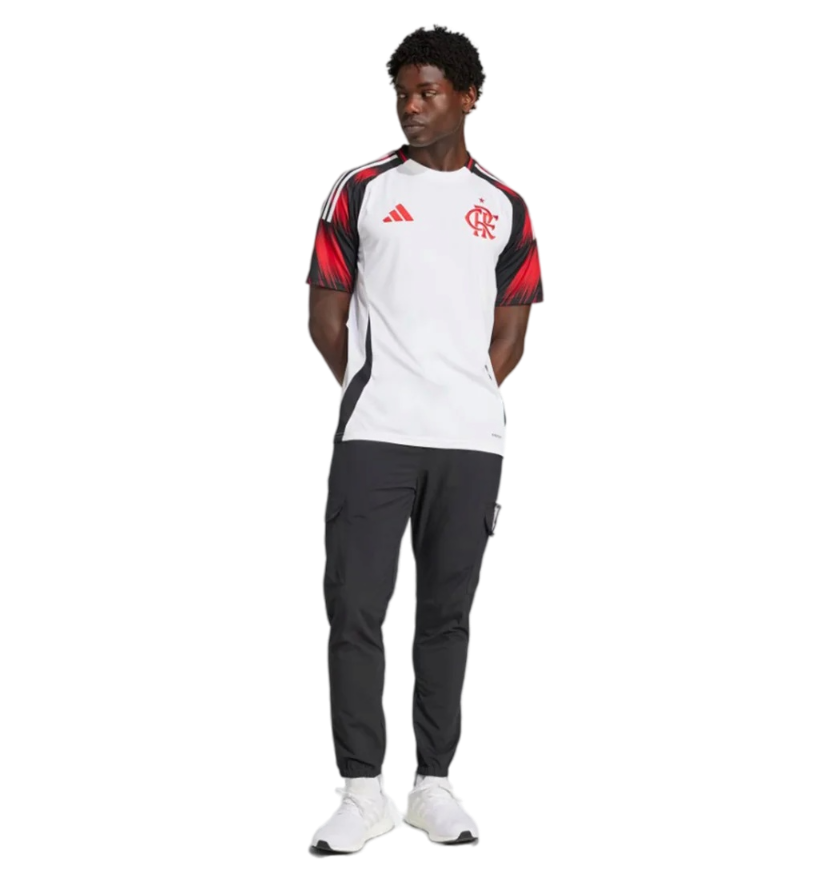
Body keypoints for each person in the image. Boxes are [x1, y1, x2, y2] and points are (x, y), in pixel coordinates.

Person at [305, 24, 544, 857]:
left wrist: (459, 393)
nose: (411, 106)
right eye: (402, 94)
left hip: (471, 441)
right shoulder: (360, 188)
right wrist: (379, 390)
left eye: (428, 92)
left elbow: (511, 332)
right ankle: (362, 792)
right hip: (376, 434)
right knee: (355, 610)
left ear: (468, 97)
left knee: (446, 615)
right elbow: (326, 313)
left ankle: (433, 786)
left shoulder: (506, 206)